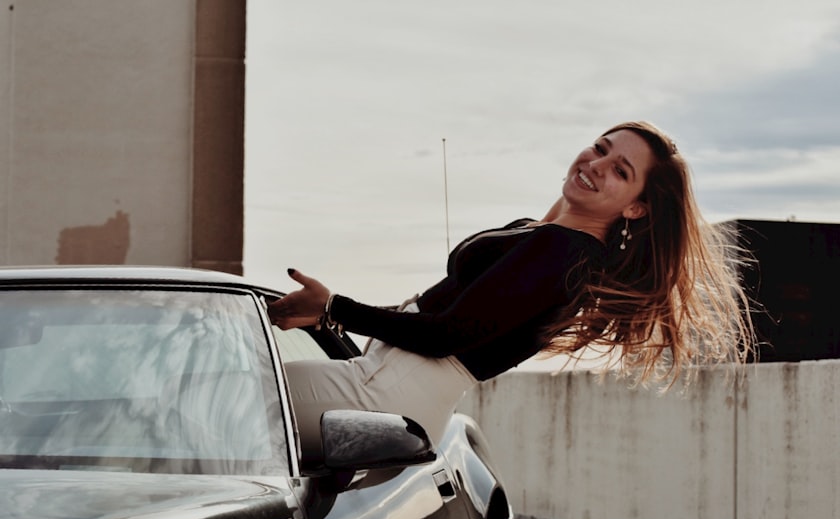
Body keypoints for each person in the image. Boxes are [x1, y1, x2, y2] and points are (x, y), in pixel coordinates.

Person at [268, 121, 755, 446]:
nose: (595, 164)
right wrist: (329, 315)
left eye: (619, 171)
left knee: (228, 399)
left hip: (388, 393)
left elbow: (447, 335)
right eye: (600, 148)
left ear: (635, 207)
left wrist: (336, 306)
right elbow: (445, 315)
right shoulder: (545, 236)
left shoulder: (566, 254)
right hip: (387, 381)